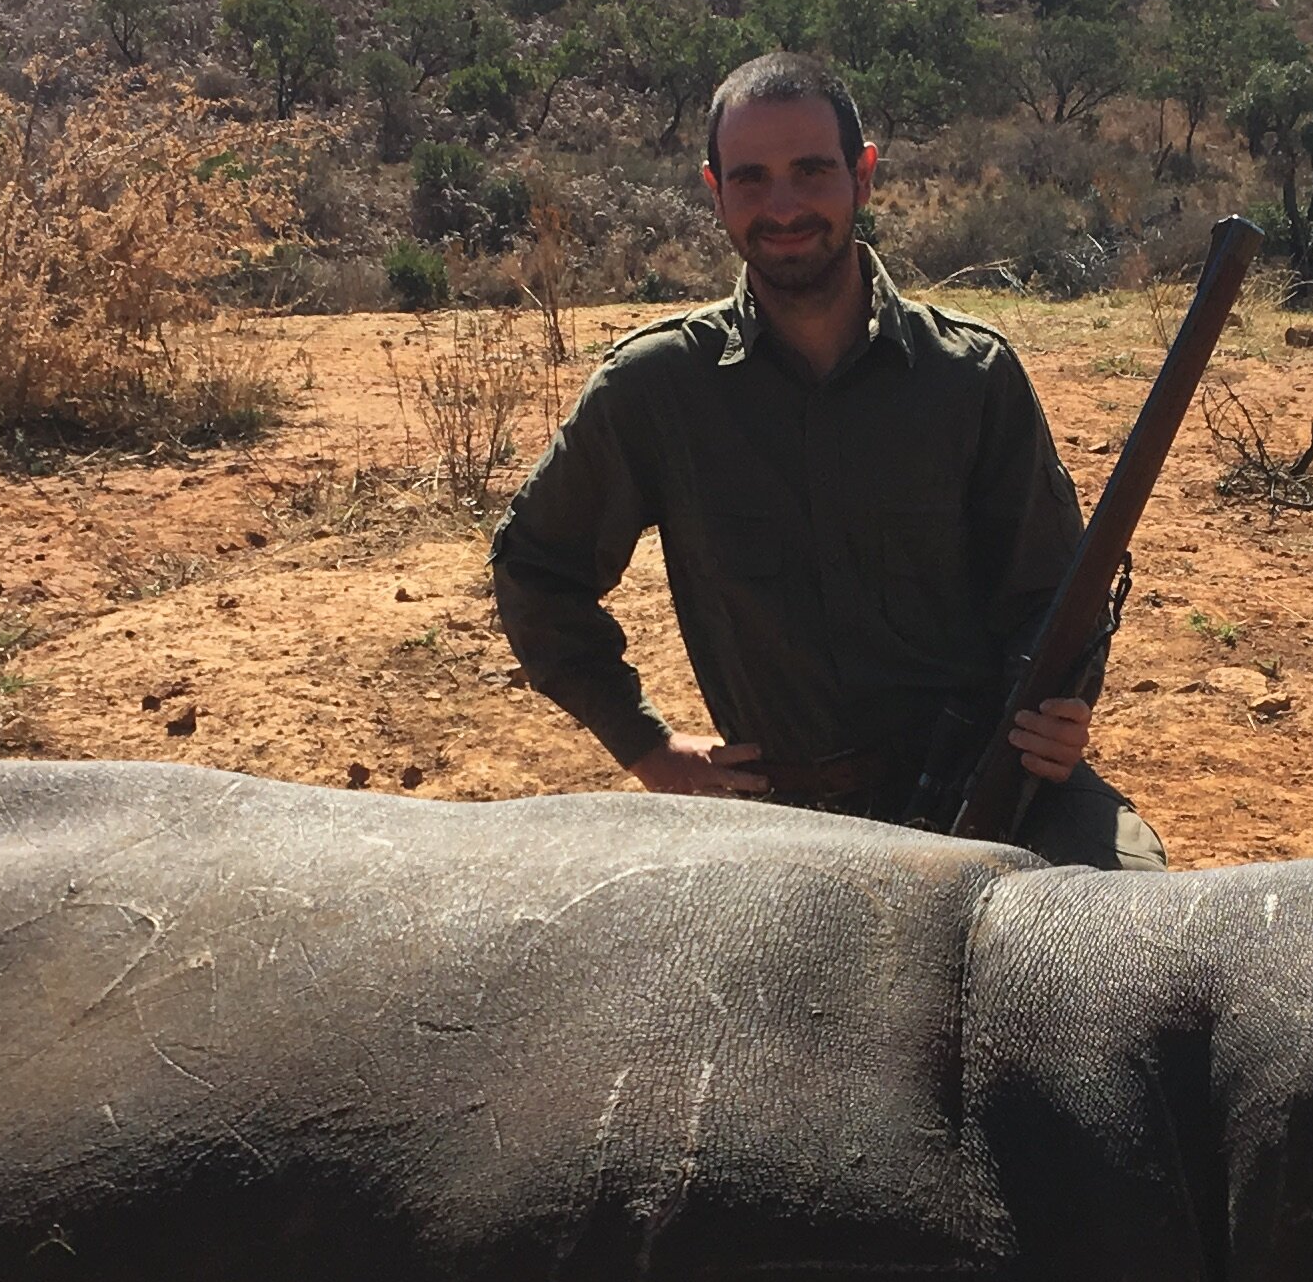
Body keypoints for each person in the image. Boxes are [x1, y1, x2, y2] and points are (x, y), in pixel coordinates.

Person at [489, 51, 1161, 870]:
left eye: (811, 171)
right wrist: (649, 747)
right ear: (715, 194)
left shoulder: (971, 376)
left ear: (863, 176)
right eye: (751, 179)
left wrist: (1063, 710)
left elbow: (1053, 595)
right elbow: (536, 568)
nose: (783, 207)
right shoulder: (657, 387)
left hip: (988, 788)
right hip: (782, 822)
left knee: (1129, 908)